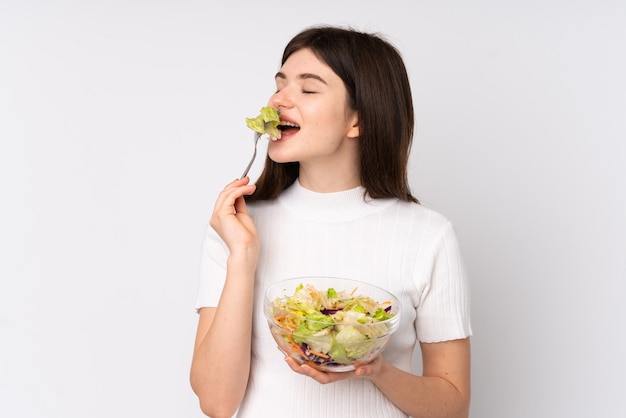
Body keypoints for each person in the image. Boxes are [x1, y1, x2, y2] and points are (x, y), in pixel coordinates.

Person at [190, 25, 472, 418]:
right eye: (280, 84)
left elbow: (453, 407)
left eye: (308, 89)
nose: (278, 99)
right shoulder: (238, 227)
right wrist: (242, 258)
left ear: (358, 120)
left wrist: (377, 370)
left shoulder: (428, 234)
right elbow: (216, 403)